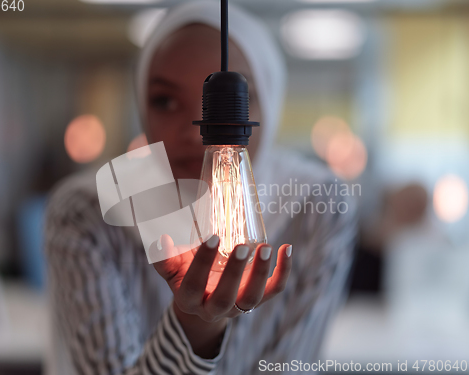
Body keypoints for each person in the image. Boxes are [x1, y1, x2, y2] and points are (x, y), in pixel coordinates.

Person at [45, 2, 357, 374]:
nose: (197, 132)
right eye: (167, 101)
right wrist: (193, 329)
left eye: (233, 104)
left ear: (270, 105)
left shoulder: (316, 205)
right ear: (142, 107)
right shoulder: (89, 212)